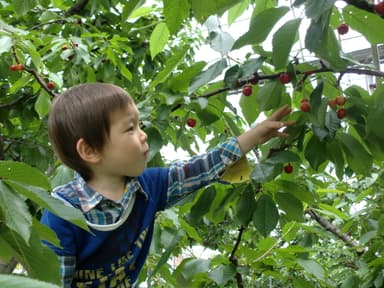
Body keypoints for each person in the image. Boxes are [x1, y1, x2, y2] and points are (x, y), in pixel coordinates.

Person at [40, 82, 292, 288]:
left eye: (140, 124)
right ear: (90, 150)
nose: (143, 134)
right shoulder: (61, 216)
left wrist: (254, 136)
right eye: (130, 128)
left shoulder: (149, 187)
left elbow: (201, 168)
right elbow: (51, 282)